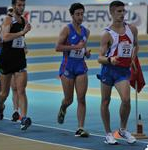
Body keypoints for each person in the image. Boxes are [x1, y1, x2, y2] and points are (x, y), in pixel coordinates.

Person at [97, 0, 138, 145]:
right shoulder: (107, 34)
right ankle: (108, 133)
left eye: (123, 11)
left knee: (126, 100)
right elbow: (99, 58)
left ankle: (122, 129)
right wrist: (110, 59)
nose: (122, 14)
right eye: (118, 11)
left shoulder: (132, 29)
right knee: (105, 101)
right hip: (109, 70)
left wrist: (132, 58)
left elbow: (136, 45)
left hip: (123, 72)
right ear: (112, 13)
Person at [55, 3, 91, 137]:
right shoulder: (67, 30)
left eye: (82, 14)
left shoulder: (86, 31)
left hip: (81, 66)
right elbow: (57, 47)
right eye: (78, 14)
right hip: (67, 67)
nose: (80, 17)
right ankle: (63, 107)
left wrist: (86, 52)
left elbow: (83, 47)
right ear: (72, 15)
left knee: (81, 98)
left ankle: (80, 128)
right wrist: (74, 48)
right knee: (69, 99)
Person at [0, 0, 31, 130]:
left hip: (20, 60)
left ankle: (23, 118)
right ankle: (0, 107)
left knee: (21, 90)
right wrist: (22, 32)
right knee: (4, 93)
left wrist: (24, 38)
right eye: (19, 5)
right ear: (13, 6)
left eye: (23, 5)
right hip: (7, 60)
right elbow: (5, 37)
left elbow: (21, 40)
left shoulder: (24, 21)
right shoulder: (8, 19)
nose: (21, 7)